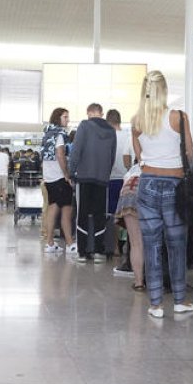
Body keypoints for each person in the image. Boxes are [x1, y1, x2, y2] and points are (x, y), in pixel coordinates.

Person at [132, 71, 193, 318]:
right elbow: (189, 152)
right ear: (165, 90)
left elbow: (139, 157)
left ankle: (155, 304)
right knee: (177, 244)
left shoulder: (137, 121)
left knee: (151, 244)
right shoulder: (178, 117)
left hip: (147, 183)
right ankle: (180, 300)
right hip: (175, 184)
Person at [68, 102, 118, 263]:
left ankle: (82, 252)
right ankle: (98, 251)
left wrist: (71, 171)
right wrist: (106, 173)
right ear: (101, 113)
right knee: (99, 214)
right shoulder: (111, 130)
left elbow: (76, 150)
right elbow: (112, 156)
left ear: (89, 113)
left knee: (82, 213)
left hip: (84, 177)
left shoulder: (84, 125)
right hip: (102, 178)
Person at [41, 108, 75, 254]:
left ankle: (50, 242)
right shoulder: (60, 135)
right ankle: (70, 243)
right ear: (58, 118)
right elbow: (60, 155)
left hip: (49, 177)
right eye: (65, 117)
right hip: (59, 176)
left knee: (52, 208)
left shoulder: (47, 133)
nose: (67, 120)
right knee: (66, 209)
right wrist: (67, 174)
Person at [106, 109, 133, 270]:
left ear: (108, 122)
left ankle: (115, 247)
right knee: (129, 214)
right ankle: (129, 247)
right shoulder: (129, 136)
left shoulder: (108, 136)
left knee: (114, 214)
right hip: (127, 179)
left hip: (111, 179)